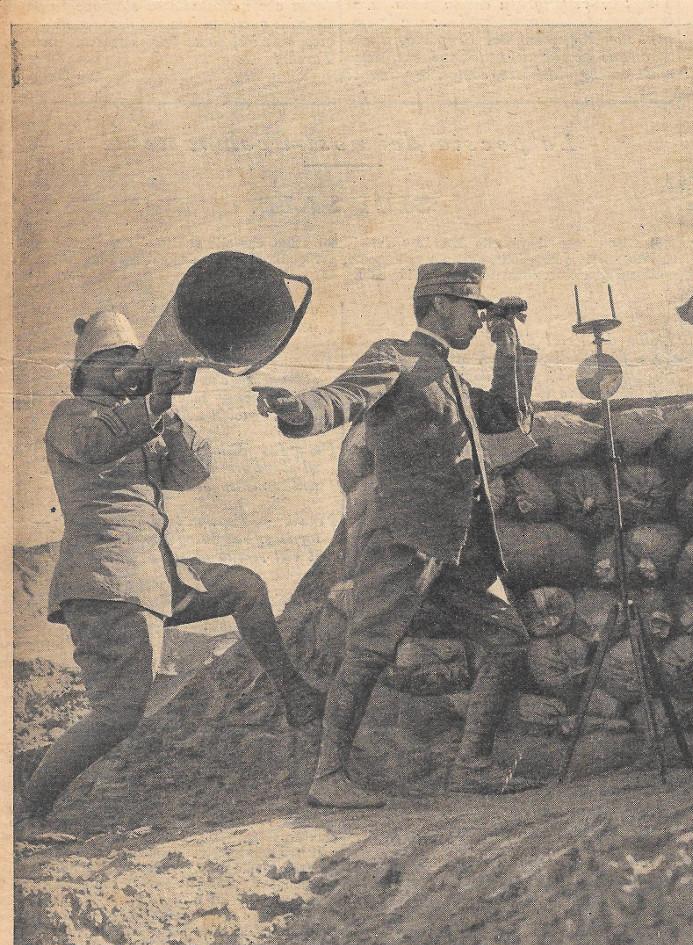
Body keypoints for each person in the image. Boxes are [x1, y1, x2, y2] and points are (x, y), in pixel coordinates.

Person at [16, 311, 323, 824]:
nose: (127, 370)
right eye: (116, 361)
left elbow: (191, 473)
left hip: (157, 576)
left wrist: (172, 418)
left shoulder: (141, 418)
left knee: (244, 587)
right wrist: (152, 403)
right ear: (84, 370)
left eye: (132, 361)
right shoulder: (71, 416)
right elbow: (97, 444)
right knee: (118, 714)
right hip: (107, 582)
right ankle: (28, 812)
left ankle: (297, 697)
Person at [254, 262, 538, 809]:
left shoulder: (449, 374)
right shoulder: (397, 356)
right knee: (368, 651)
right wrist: (300, 410)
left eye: (485, 313)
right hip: (403, 536)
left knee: (505, 639)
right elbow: (344, 397)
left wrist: (510, 346)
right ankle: (327, 777)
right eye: (473, 310)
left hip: (448, 546)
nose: (479, 321)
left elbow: (507, 417)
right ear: (437, 306)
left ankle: (472, 765)